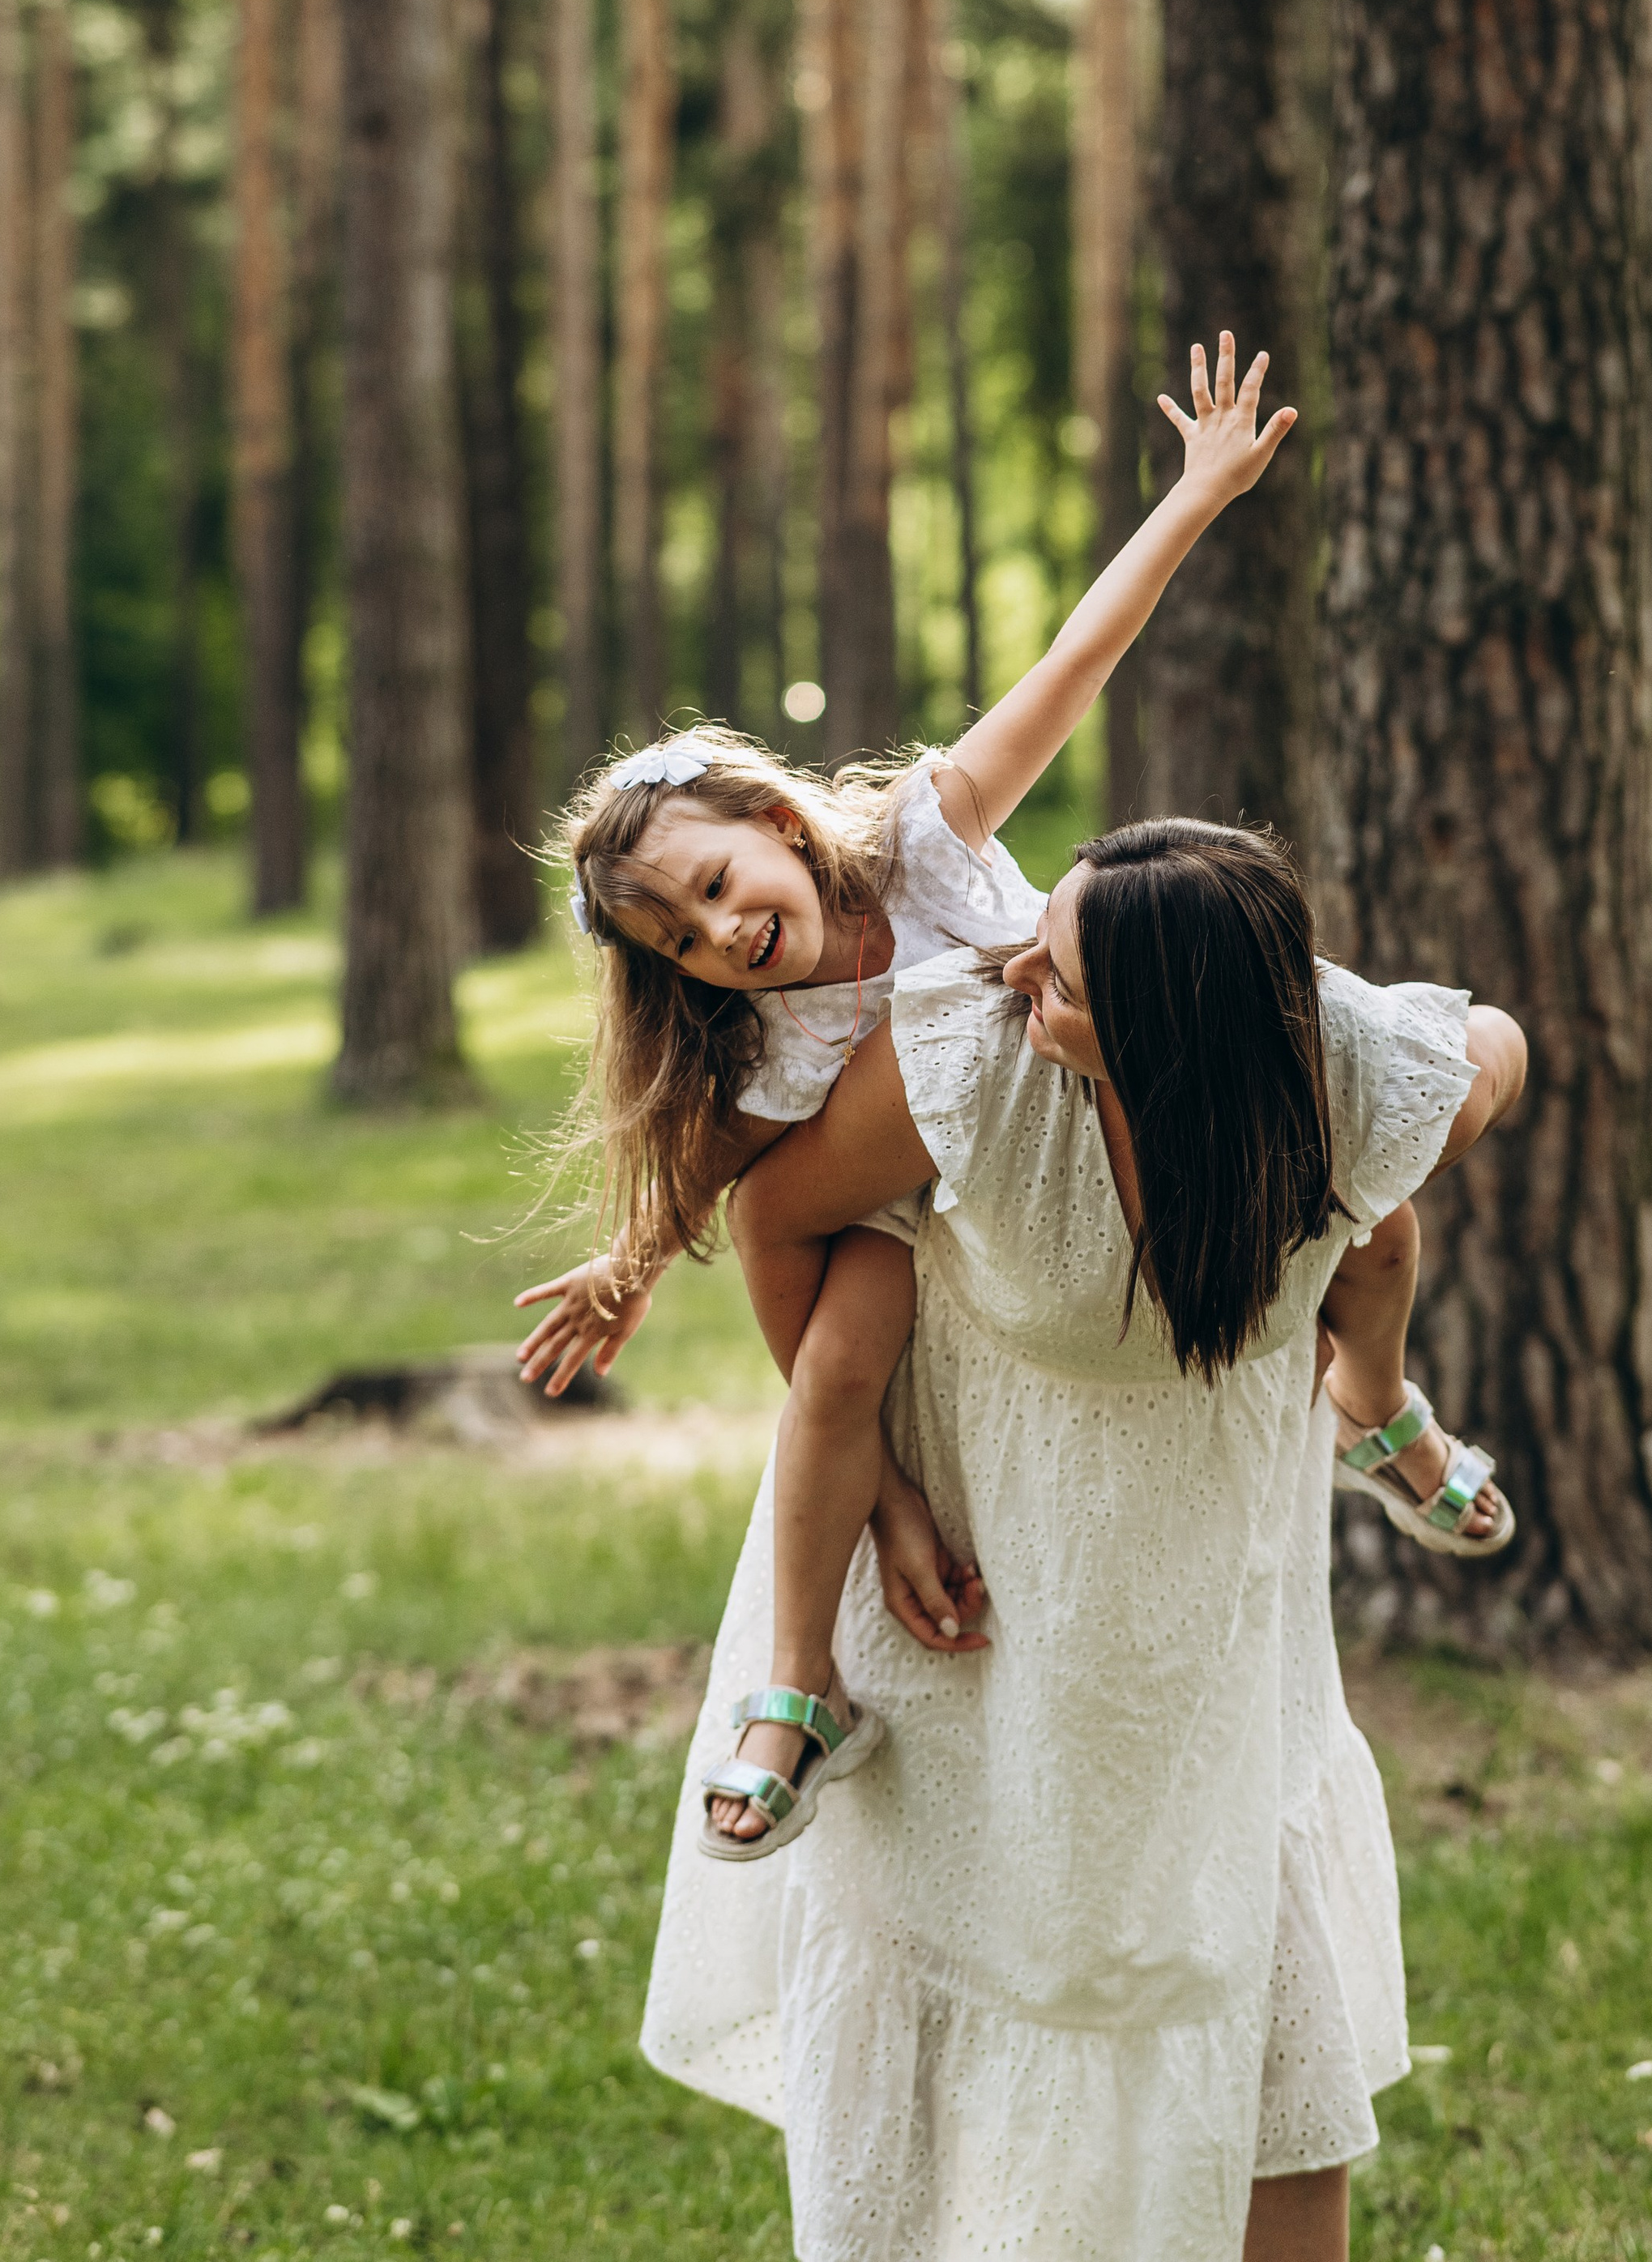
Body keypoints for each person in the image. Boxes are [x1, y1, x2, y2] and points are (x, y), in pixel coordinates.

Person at [517, 340, 1505, 1858]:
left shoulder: (927, 837)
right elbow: (714, 1178)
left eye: (716, 886)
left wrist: (1195, 497)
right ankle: (800, 1682)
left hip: (1101, 1092)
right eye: (681, 941)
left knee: (1370, 1221)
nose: (720, 938)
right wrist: (627, 1266)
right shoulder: (766, 1048)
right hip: (936, 1220)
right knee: (840, 1364)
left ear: (783, 821)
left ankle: (1376, 1407)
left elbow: (1074, 664)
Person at [640, 822, 1527, 2260]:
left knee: (1244, 1934)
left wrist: (1368, 1273)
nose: (1006, 974)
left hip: (1212, 1557)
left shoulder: (1341, 1071)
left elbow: (1490, 1045)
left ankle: (1378, 1411)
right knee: (976, 1916)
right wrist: (879, 1498)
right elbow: (774, 1217)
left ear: (1171, 1032)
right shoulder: (969, 1060)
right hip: (982, 1543)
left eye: (1056, 975)